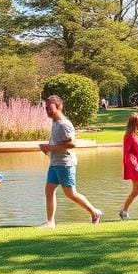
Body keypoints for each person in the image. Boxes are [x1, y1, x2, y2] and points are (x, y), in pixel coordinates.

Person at [39, 95, 102, 227]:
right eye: (46, 109)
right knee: (49, 191)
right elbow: (59, 143)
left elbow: (72, 144)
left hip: (65, 163)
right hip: (55, 162)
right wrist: (49, 148)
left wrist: (49, 147)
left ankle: (95, 212)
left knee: (71, 193)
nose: (48, 111)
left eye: (50, 108)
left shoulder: (64, 124)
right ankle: (50, 222)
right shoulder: (55, 122)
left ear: (59, 107)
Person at [119, 112, 138, 221]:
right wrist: (135, 166)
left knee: (136, 190)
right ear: (135, 123)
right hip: (134, 166)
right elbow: (127, 154)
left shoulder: (137, 135)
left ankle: (124, 211)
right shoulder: (129, 136)